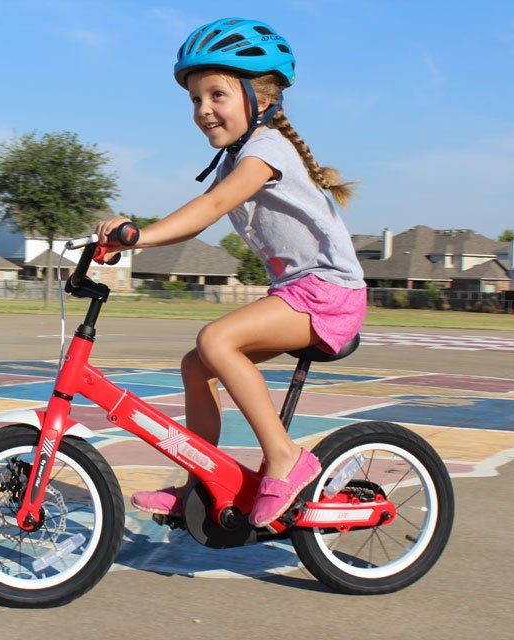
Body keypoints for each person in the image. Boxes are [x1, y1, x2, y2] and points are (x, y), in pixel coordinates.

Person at [96, 17, 367, 529]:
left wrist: (140, 235)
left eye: (217, 94)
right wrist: (127, 244)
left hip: (330, 295)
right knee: (197, 363)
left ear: (259, 98)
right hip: (299, 294)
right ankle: (202, 483)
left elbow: (214, 204)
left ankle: (285, 458)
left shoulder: (266, 151)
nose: (203, 110)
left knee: (216, 339)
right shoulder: (235, 159)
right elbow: (199, 214)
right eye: (195, 99)